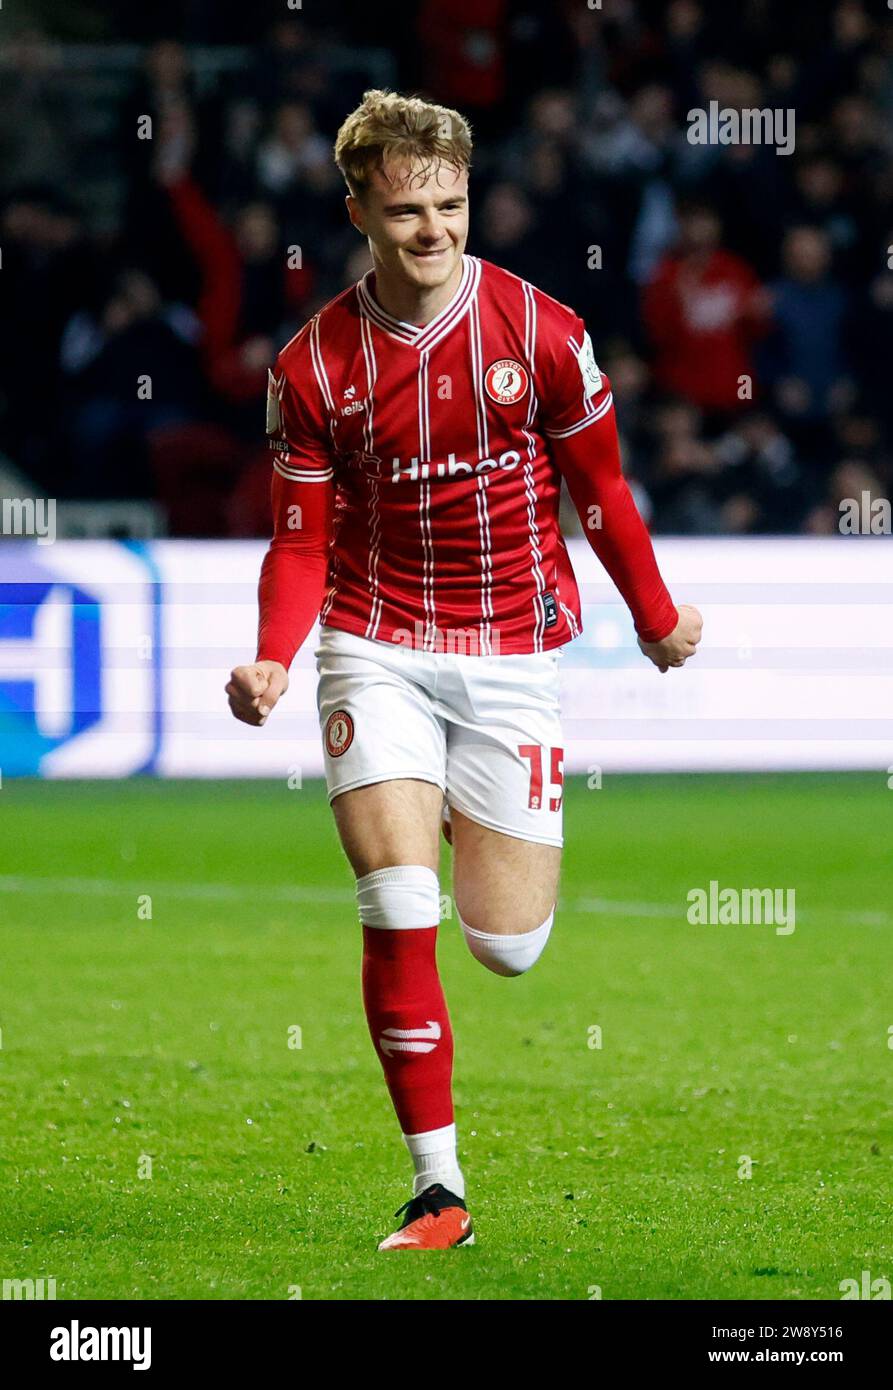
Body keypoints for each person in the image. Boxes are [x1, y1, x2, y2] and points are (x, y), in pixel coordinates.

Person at [226, 90, 702, 1251]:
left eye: (447, 204)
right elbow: (296, 539)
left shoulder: (541, 331)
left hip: (510, 648)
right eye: (403, 211)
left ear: (467, 196)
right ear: (357, 212)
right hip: (372, 639)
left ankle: (444, 800)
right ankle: (437, 1194)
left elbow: (603, 489)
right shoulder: (314, 364)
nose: (431, 229)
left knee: (506, 944)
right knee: (394, 904)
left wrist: (651, 616)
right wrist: (274, 659)